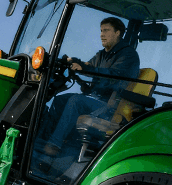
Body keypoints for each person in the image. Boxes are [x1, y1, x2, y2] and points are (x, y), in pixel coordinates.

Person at [42, 17, 140, 155]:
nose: (102, 34)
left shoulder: (128, 55)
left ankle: (54, 145)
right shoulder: (102, 54)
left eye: (106, 30)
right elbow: (88, 66)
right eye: (101, 31)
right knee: (60, 100)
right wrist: (73, 62)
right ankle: (44, 140)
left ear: (118, 33)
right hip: (94, 99)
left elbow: (113, 76)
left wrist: (85, 69)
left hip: (110, 105)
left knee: (75, 101)